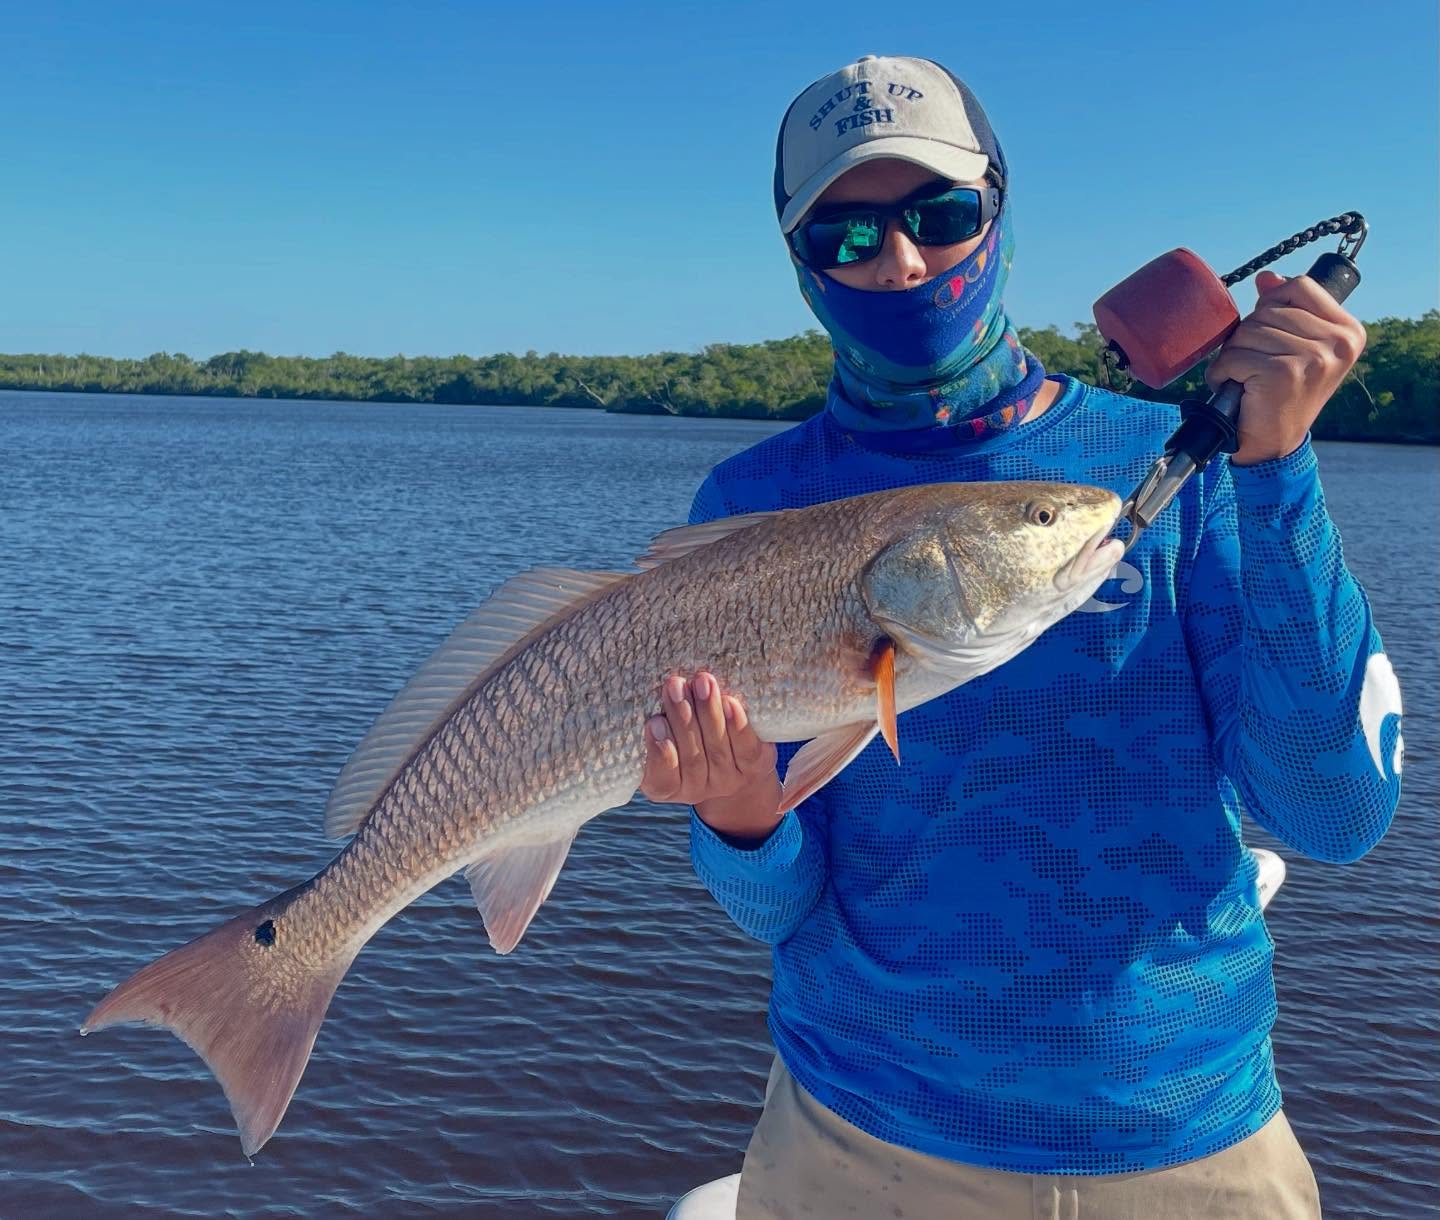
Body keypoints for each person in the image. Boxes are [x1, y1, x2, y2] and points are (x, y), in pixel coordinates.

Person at [640, 55, 1403, 1219]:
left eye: (940, 215)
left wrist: (1280, 474)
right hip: (857, 1134)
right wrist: (739, 821)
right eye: (844, 235)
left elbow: (1335, 812)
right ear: (797, 260)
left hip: (1181, 1140)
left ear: (998, 210)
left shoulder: (1181, 466)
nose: (899, 262)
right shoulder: (749, 510)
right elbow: (778, 909)